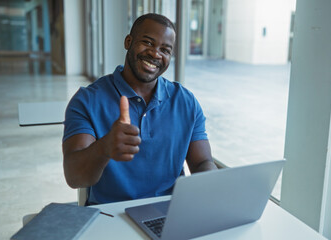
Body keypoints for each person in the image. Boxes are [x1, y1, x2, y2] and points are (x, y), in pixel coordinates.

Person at [62, 13, 217, 205]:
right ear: (128, 42)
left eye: (165, 50)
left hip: (172, 211)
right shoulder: (87, 100)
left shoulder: (186, 101)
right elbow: (74, 177)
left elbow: (202, 162)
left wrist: (213, 186)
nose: (155, 54)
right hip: (111, 215)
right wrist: (104, 147)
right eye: (148, 42)